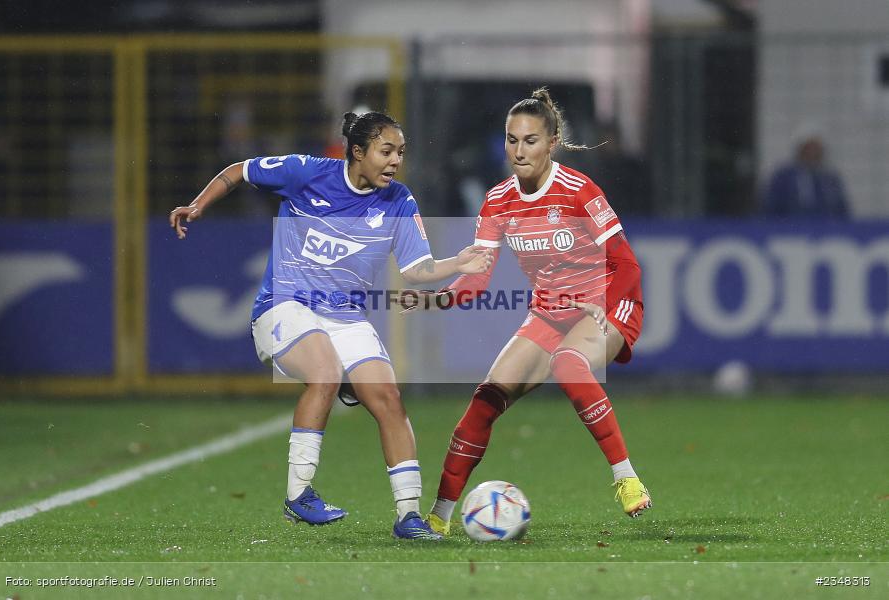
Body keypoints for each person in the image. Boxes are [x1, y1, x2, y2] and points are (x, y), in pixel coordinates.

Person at [169, 111, 493, 540]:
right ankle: (298, 494)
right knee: (324, 373)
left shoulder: (399, 200)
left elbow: (417, 270)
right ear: (357, 152)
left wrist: (459, 263)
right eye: (386, 151)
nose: (396, 161)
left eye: (400, 152)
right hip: (283, 306)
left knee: (388, 398)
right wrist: (198, 205)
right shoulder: (305, 173)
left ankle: (409, 516)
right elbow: (238, 171)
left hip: (345, 318)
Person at [407, 89, 652, 536]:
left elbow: (626, 263)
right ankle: (439, 516)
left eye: (531, 140)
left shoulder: (579, 192)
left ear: (552, 142)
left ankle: (626, 478)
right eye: (511, 139)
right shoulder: (498, 200)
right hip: (550, 312)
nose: (519, 151)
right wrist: (439, 298)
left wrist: (601, 305)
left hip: (608, 303)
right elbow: (477, 278)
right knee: (484, 400)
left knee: (569, 363)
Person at [762, 127, 849, 218]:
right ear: (800, 150)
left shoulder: (830, 179)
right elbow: (770, 209)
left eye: (817, 149)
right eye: (809, 148)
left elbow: (842, 210)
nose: (813, 153)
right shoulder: (783, 177)